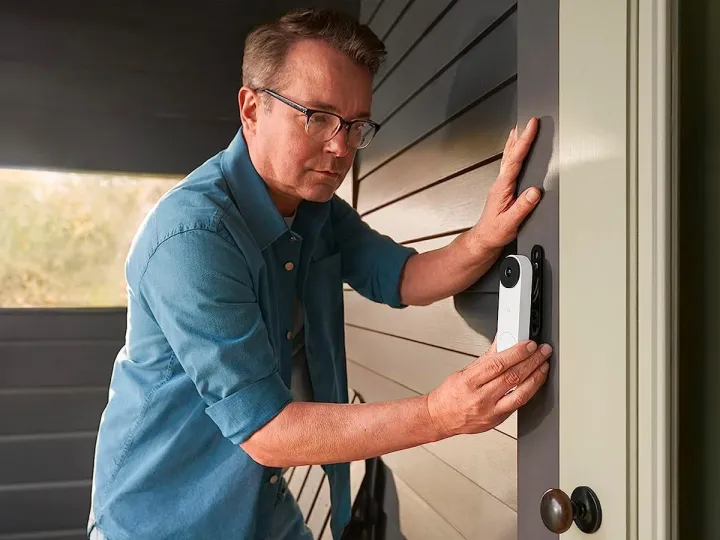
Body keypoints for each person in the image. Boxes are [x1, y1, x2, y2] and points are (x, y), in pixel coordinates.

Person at [88, 7, 551, 540]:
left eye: (357, 126)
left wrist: (484, 237)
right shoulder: (192, 239)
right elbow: (267, 429)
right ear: (252, 108)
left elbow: (403, 277)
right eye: (318, 116)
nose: (341, 147)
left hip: (258, 501)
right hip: (160, 519)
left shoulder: (316, 207)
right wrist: (439, 414)